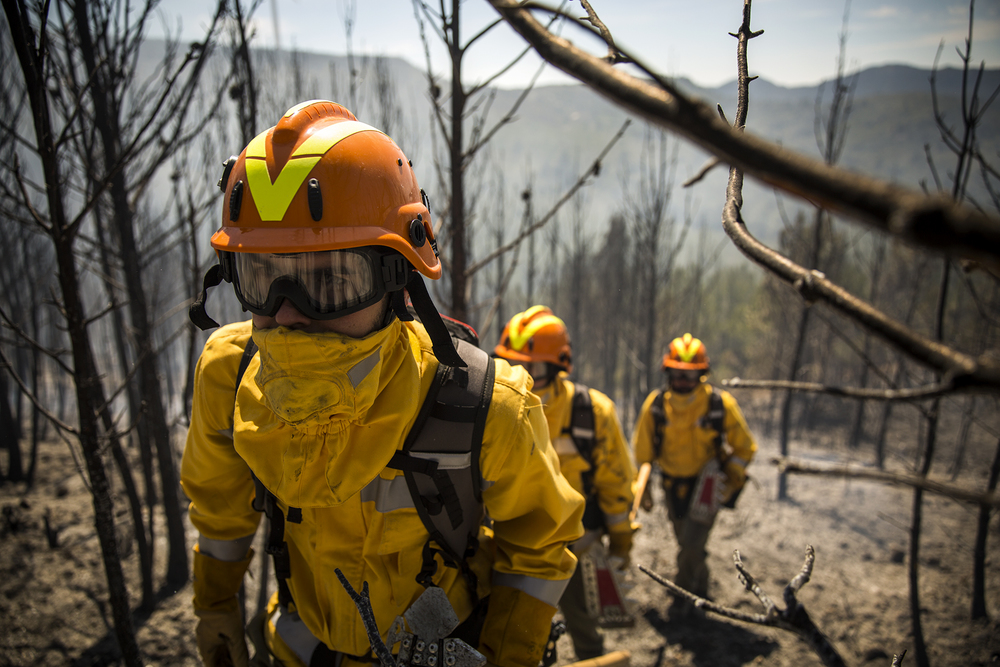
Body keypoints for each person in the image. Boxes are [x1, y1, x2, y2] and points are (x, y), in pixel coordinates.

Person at [181, 100, 585, 667]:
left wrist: (508, 654)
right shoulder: (230, 377)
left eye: (330, 280)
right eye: (264, 279)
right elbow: (221, 513)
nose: (290, 314)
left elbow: (538, 546)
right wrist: (217, 609)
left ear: (399, 279)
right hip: (303, 649)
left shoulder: (484, 406)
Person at [493, 306, 635, 661]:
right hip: (510, 551)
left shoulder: (592, 413)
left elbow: (616, 483)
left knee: (584, 622)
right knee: (512, 637)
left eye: (534, 368)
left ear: (559, 366)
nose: (523, 377)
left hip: (578, 548)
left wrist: (621, 538)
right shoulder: (495, 409)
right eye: (515, 365)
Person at [632, 333, 756, 617]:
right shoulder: (655, 405)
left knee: (690, 546)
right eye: (677, 374)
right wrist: (644, 489)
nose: (683, 381)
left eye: (690, 375)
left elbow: (745, 447)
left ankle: (685, 596)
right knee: (686, 543)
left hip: (708, 485)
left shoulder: (718, 404)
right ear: (668, 372)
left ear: (702, 374)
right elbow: (643, 453)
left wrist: (732, 477)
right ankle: (701, 584)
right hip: (672, 486)